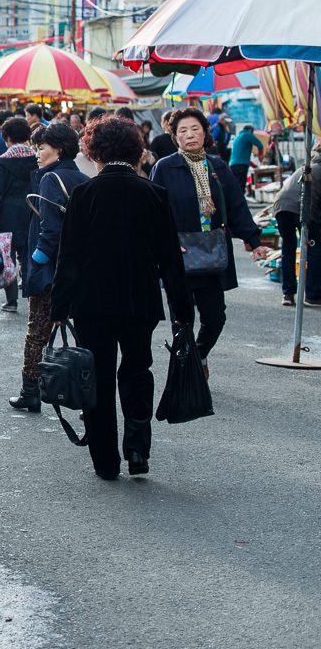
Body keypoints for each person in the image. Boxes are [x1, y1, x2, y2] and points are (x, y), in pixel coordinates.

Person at [51, 116, 193, 480]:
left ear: (94, 152)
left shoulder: (84, 194)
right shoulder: (154, 194)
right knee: (137, 371)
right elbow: (171, 260)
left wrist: (59, 307)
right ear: (136, 151)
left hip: (92, 303)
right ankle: (137, 448)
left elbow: (69, 258)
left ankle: (105, 461)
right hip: (139, 300)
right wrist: (182, 311)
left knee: (96, 378)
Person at [149, 108, 262, 374]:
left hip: (211, 255)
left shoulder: (218, 166)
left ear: (204, 133)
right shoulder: (164, 168)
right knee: (182, 321)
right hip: (178, 256)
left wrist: (254, 241)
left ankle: (197, 356)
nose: (190, 135)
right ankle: (185, 374)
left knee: (215, 318)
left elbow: (236, 206)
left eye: (195, 129)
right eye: (183, 131)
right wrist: (165, 243)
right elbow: (153, 211)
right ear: (175, 137)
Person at [11, 123, 91, 412]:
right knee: (84, 333)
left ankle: (30, 391)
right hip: (80, 269)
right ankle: (87, 398)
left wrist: (36, 260)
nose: (37, 153)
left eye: (41, 147)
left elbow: (51, 231)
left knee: (38, 331)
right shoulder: (83, 178)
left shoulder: (51, 179)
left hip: (51, 272)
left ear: (58, 149)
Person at [0, 116, 36, 311]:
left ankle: (12, 301)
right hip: (32, 213)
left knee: (9, 257)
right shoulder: (36, 160)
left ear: (7, 138)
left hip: (8, 215)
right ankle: (33, 298)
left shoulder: (2, 163)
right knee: (29, 256)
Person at [271, 153, 321, 306]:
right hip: (302, 209)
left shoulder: (307, 167)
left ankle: (288, 293)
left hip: (280, 206)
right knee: (314, 249)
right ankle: (312, 295)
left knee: (288, 248)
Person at [228, 123, 265, 192]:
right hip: (241, 165)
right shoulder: (248, 134)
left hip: (233, 165)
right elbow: (260, 145)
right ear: (250, 130)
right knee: (241, 186)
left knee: (236, 185)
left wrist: (253, 165)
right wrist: (260, 157)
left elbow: (241, 156)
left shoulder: (237, 137)